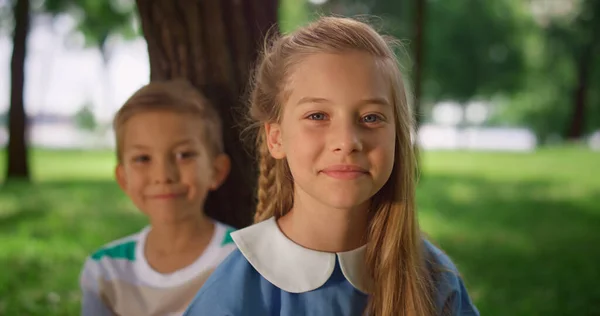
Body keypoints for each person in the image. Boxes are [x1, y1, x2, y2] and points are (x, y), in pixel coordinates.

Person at [183, 16, 480, 316]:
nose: (348, 141)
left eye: (371, 117)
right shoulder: (236, 290)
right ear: (276, 138)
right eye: (317, 116)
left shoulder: (435, 279)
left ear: (398, 136)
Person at [79, 79, 236, 316]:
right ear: (123, 179)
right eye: (143, 159)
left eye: (184, 155)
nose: (163, 176)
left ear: (216, 171)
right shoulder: (105, 271)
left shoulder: (243, 260)